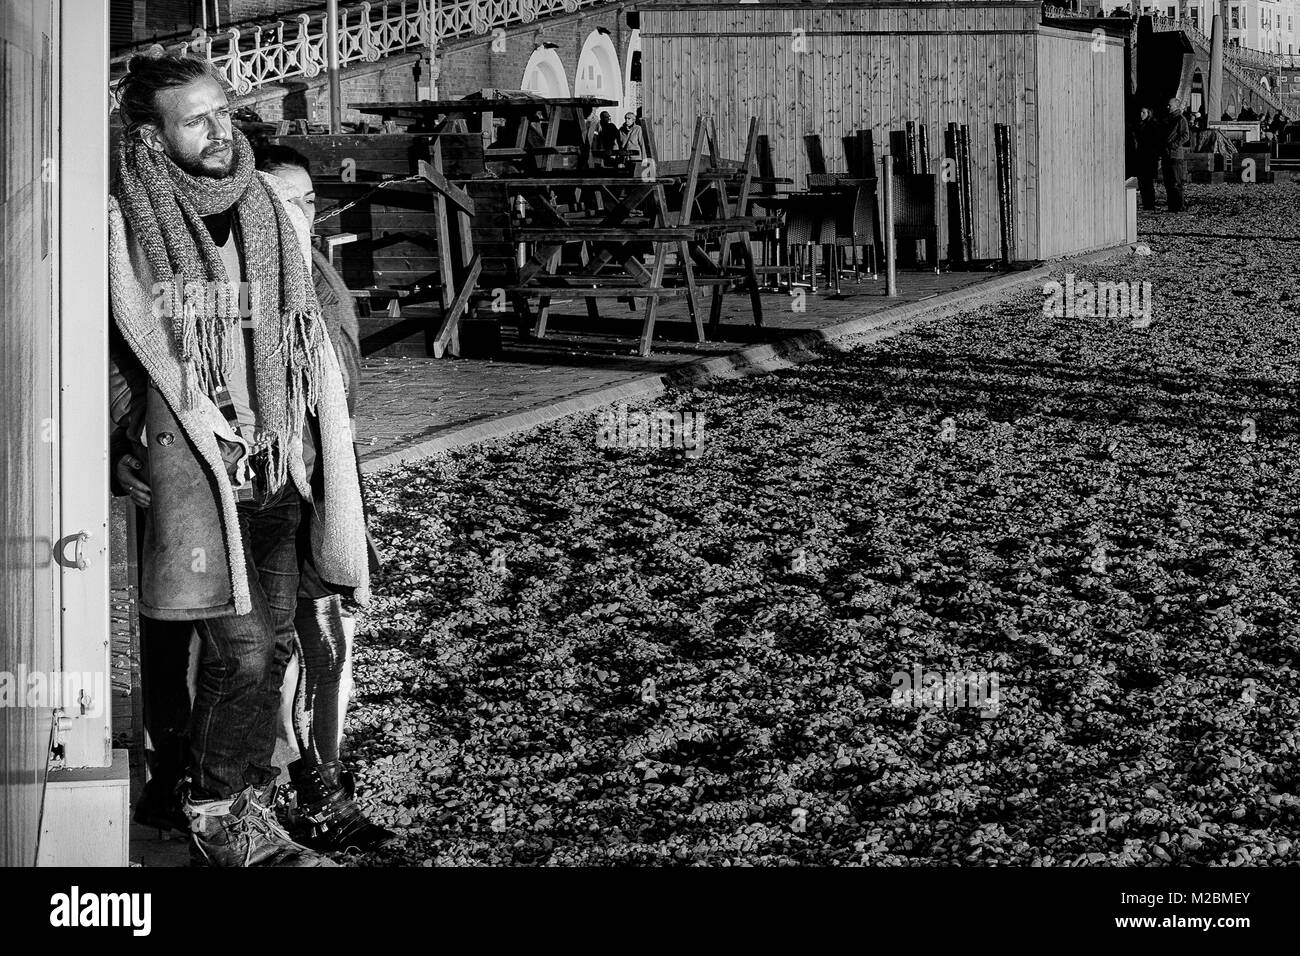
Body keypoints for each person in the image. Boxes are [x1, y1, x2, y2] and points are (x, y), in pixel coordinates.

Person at [110, 52, 371, 866]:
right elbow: (114, 349)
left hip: (277, 462)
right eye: (197, 120)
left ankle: (237, 803)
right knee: (242, 649)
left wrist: (313, 433)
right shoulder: (123, 220)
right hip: (200, 465)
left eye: (224, 111)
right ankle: (215, 813)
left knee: (280, 648)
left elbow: (311, 329)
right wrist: (124, 432)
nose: (222, 131)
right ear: (153, 139)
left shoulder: (260, 200)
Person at [255, 144, 395, 852]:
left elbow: (342, 386)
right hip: (281, 486)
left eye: (309, 201)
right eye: (283, 200)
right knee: (291, 642)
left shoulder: (319, 277)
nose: (300, 215)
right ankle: (311, 784)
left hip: (328, 478)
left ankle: (323, 776)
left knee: (331, 633)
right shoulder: (250, 282)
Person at [1161, 97, 1191, 213]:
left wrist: (1174, 144)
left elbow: (1185, 135)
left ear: (1176, 106)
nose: (1167, 107)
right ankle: (1172, 206)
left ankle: (1179, 206)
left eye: (1170, 105)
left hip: (1175, 155)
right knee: (1168, 182)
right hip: (1167, 154)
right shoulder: (1168, 119)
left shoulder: (1180, 119)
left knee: (1176, 182)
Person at [1135, 106, 1162, 211]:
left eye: (1143, 113)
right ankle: (1147, 203)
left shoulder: (1153, 126)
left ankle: (1150, 204)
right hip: (1142, 155)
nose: (1141, 115)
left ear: (1149, 113)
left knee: (1148, 182)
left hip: (1150, 156)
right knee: (1143, 181)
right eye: (1141, 112)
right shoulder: (1140, 125)